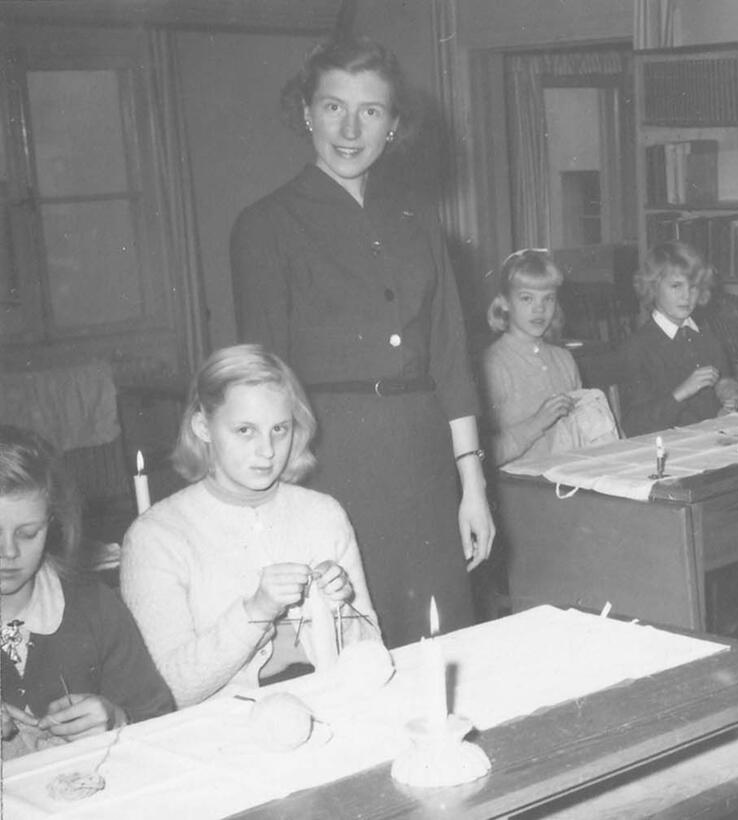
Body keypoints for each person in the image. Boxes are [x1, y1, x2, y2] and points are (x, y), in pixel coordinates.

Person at [230, 37, 493, 646]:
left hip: (425, 460)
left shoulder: (418, 217)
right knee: (354, 647)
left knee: (443, 637)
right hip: (329, 461)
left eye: (371, 111)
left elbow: (451, 356)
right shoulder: (265, 226)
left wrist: (472, 487)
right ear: (306, 112)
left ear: (394, 124)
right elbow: (261, 383)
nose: (350, 129)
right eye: (332, 107)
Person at [121, 345, 382, 707]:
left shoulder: (323, 514)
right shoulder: (156, 537)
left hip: (333, 706)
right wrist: (255, 611)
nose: (268, 450)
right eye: (245, 430)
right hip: (224, 731)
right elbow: (169, 691)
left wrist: (343, 608)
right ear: (203, 426)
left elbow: (371, 657)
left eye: (280, 429)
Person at [1, 426, 173, 759]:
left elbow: (160, 719)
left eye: (28, 534)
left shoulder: (92, 605)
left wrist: (117, 719)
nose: (8, 552)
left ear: (52, 525)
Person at [619, 240, 738, 437]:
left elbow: (719, 400)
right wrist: (681, 393)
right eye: (676, 286)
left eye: (693, 287)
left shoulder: (707, 339)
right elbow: (633, 426)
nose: (686, 296)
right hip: (666, 451)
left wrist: (728, 399)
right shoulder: (637, 347)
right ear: (653, 288)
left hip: (711, 442)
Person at [481, 248, 583, 465]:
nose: (540, 309)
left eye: (548, 299)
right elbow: (483, 455)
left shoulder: (564, 359)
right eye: (527, 298)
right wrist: (538, 422)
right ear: (504, 302)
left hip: (567, 479)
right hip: (518, 488)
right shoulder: (492, 365)